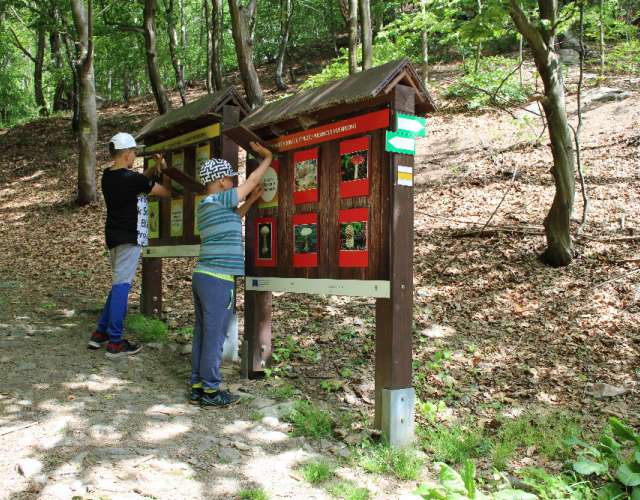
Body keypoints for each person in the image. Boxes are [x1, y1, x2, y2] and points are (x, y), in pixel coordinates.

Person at [190, 142, 272, 408]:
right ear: (222, 182)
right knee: (214, 336)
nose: (232, 183)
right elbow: (250, 181)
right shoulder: (218, 198)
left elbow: (235, 216)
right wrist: (268, 158)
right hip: (218, 279)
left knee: (204, 334)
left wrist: (252, 201)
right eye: (230, 179)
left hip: (204, 276)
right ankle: (212, 392)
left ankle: (199, 386)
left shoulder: (207, 205)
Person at [88, 132, 171, 358]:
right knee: (122, 286)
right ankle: (115, 342)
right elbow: (165, 192)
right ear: (126, 154)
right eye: (134, 151)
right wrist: (164, 168)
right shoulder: (132, 179)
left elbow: (137, 183)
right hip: (129, 238)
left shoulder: (108, 176)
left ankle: (100, 333)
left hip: (114, 238)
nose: (135, 155)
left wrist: (153, 169)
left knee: (118, 284)